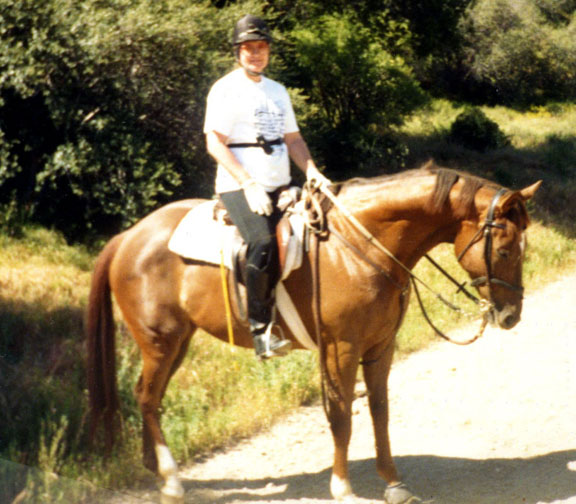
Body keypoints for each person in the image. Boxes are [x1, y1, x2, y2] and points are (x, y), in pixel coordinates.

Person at [203, 14, 329, 360]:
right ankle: (261, 330)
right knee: (261, 242)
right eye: (248, 48)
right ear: (237, 52)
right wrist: (247, 184)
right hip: (239, 186)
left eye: (261, 48)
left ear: (268, 51)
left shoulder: (277, 91)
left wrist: (311, 170)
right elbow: (214, 143)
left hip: (280, 185)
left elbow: (293, 139)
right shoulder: (225, 89)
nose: (255, 54)